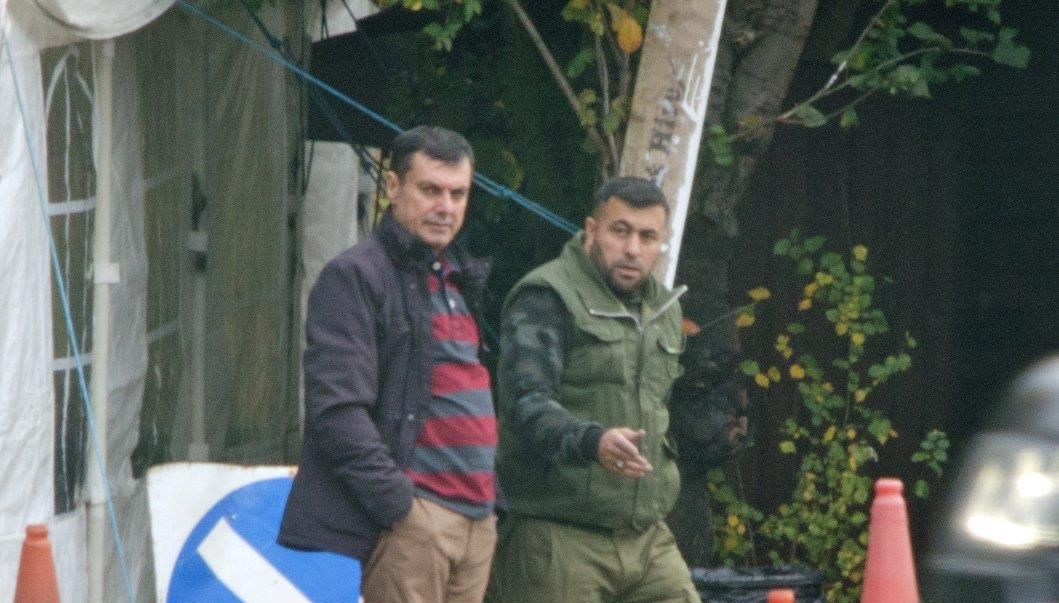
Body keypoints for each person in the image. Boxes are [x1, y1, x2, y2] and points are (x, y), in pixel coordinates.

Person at [279, 126, 497, 603]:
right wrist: (400, 506)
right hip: (418, 521)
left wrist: (488, 505)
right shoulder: (355, 274)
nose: (446, 206)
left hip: (477, 518)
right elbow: (336, 412)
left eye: (458, 193)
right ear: (393, 188)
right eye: (430, 190)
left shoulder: (457, 277)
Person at [487, 176, 700, 602]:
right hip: (559, 534)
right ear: (591, 230)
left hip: (646, 537)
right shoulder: (546, 296)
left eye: (647, 236)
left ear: (663, 243)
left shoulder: (663, 309)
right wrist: (593, 441)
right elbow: (525, 406)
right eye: (620, 231)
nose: (633, 249)